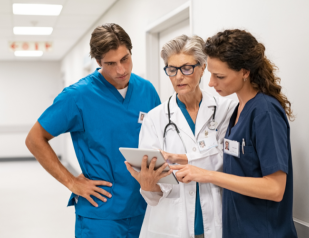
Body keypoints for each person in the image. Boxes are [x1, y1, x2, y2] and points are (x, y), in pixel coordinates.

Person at [25, 23, 161, 238]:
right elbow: (34, 139)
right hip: (102, 213)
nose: (121, 70)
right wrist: (71, 182)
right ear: (98, 62)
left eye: (125, 59)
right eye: (111, 63)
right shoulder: (77, 97)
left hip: (146, 207)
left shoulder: (147, 90)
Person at [171, 29, 298, 238]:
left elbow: (275, 188)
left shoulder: (265, 112)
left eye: (219, 76)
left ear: (245, 72)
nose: (211, 83)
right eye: (211, 74)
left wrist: (207, 176)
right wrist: (185, 159)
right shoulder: (238, 109)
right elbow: (239, 163)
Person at [125, 35, 236, 238]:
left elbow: (228, 161)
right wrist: (148, 185)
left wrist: (187, 160)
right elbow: (153, 193)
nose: (178, 76)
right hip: (171, 223)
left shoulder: (225, 109)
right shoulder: (155, 118)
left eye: (186, 68)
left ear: (203, 68)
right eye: (172, 69)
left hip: (215, 218)